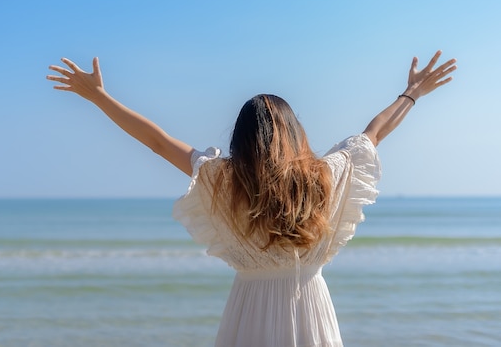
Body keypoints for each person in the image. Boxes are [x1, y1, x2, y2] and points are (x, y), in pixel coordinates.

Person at [47, 51, 456, 347]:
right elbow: (375, 132)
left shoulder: (223, 181)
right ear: (297, 133)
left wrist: (100, 98)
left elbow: (157, 142)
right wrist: (412, 93)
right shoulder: (323, 178)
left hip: (249, 309)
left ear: (240, 140)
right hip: (307, 306)